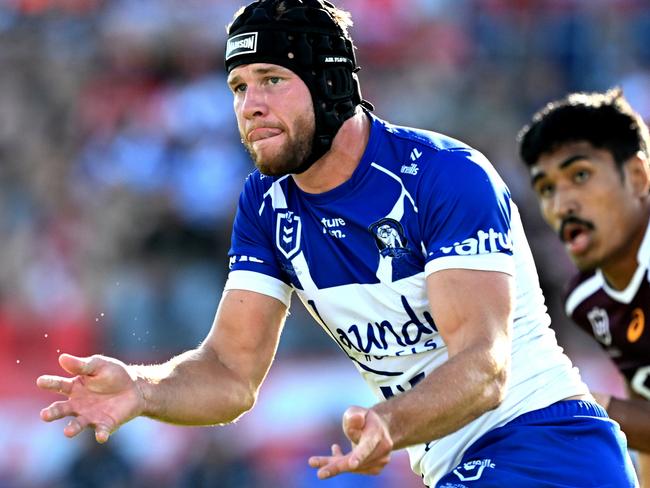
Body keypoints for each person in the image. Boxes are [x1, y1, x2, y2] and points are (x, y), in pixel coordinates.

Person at [37, 2, 638, 486]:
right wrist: (143, 391)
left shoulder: (444, 174)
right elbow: (230, 373)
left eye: (272, 80)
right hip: (463, 468)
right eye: (239, 86)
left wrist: (388, 422)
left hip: (551, 448)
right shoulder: (265, 204)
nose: (251, 106)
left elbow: (484, 369)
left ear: (330, 83)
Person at [518, 88, 650, 487]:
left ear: (638, 176)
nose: (562, 205)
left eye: (580, 176)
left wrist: (585, 406)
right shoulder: (587, 298)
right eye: (546, 189)